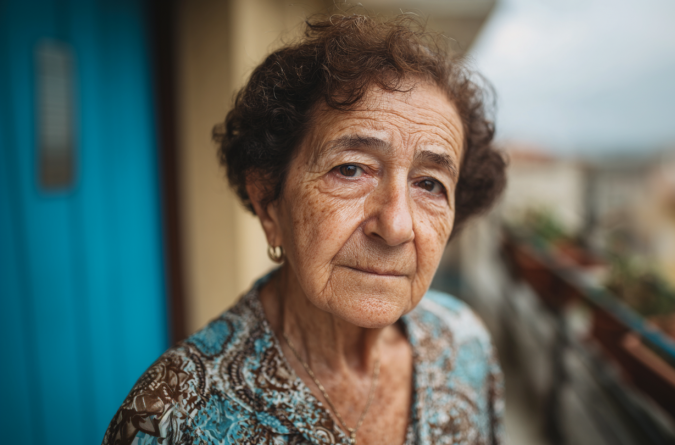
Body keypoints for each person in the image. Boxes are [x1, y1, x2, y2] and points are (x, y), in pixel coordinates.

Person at [103, 12, 507, 445]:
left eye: (429, 184)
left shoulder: (465, 346)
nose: (395, 226)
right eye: (350, 169)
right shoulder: (171, 418)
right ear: (268, 203)